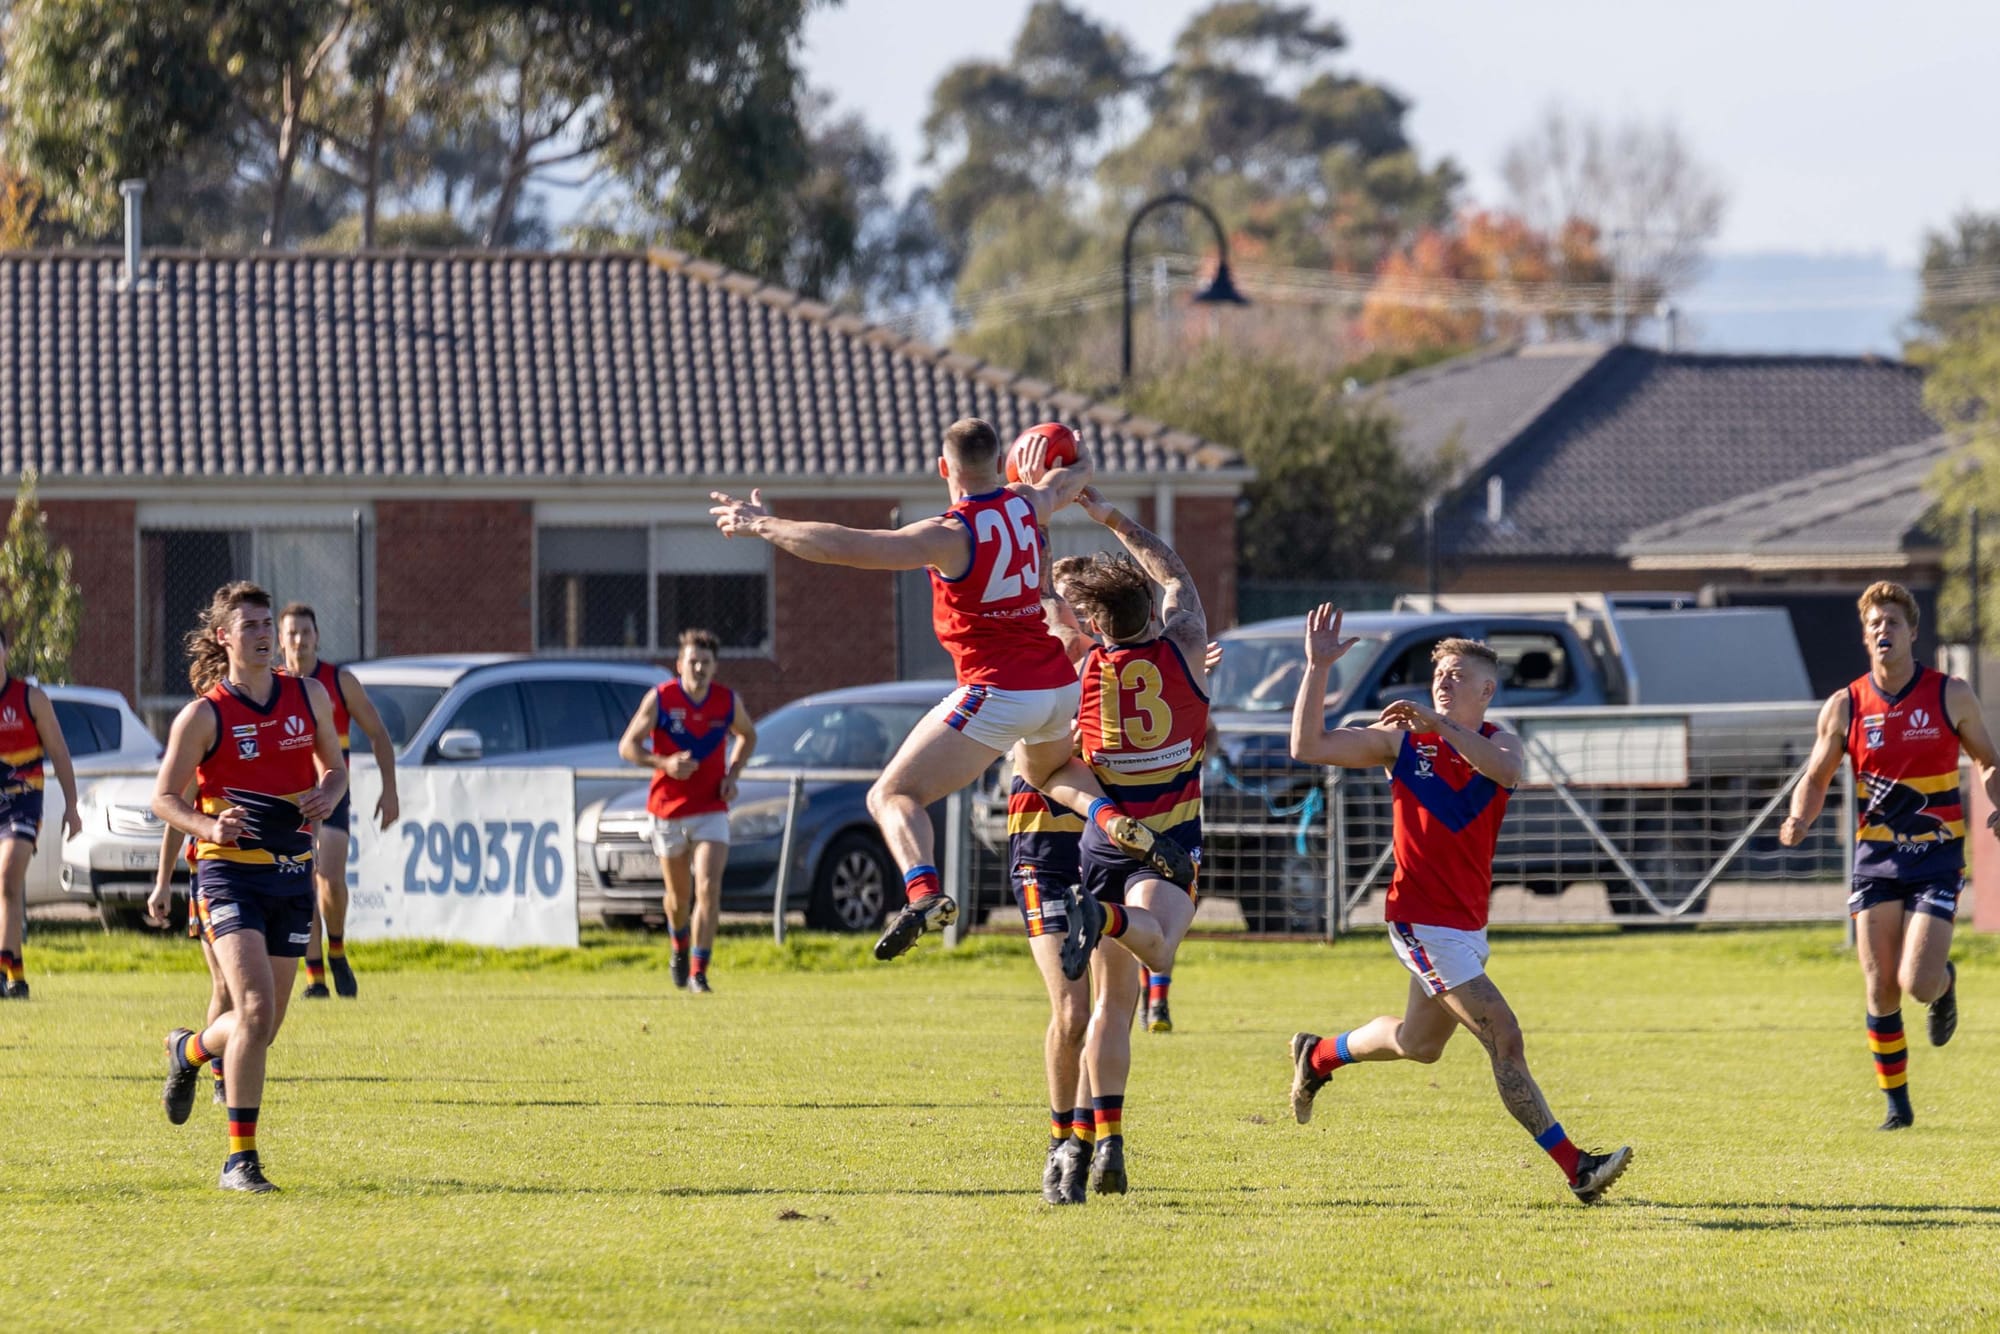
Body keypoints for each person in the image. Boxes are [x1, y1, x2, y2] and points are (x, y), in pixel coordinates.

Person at [709, 419, 1194, 968]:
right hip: (1059, 686)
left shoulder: (950, 533)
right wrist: (1078, 450)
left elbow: (845, 546)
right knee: (1046, 776)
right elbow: (1075, 475)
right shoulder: (1028, 502)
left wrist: (763, 526)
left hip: (1000, 689)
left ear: (944, 469)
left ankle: (924, 894)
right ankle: (1114, 821)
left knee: (891, 796)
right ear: (997, 464)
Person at [1284, 606, 1631, 1205]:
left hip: (1467, 924)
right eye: (1439, 671)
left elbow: (1506, 771)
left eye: (1456, 674)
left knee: (1420, 1045)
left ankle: (1317, 1054)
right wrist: (1316, 668)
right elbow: (1306, 745)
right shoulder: (1402, 742)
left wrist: (1439, 729)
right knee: (1505, 1037)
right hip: (1420, 919)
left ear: (1486, 690)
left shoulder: (1498, 740)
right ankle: (1578, 1168)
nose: (1442, 680)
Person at [146, 581, 346, 1192]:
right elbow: (163, 798)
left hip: (290, 874)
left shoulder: (307, 695)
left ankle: (189, 1050)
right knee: (253, 1010)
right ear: (223, 637)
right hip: (227, 874)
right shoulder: (205, 714)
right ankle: (240, 1161)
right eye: (251, 626)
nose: (264, 635)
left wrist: (328, 792)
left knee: (263, 1026)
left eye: (267, 624)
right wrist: (209, 824)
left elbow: (336, 768)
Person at [1779, 580, 1998, 1129]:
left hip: (1937, 858)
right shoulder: (1846, 705)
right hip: (1875, 862)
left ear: (1913, 632)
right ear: (1864, 636)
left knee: (1917, 982)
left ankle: (1942, 983)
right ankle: (1897, 1109)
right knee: (1879, 985)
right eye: (1874, 624)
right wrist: (1798, 816)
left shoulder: (1952, 694)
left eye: (1893, 623)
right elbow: (1816, 775)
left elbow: (1989, 763)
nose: (1883, 632)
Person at [1045, 488, 1211, 1197]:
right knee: (1161, 944)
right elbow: (1174, 571)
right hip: (1167, 838)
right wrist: (1112, 517)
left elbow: (1055, 763)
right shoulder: (1186, 645)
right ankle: (1107, 919)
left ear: (1095, 623)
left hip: (1100, 843)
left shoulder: (1082, 675)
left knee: (1112, 1007)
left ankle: (1107, 1143)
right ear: (1149, 608)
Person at [617, 627, 758, 993]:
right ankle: (678, 942)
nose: (698, 668)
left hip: (711, 807)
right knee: (678, 900)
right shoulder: (661, 699)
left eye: (705, 663)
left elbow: (748, 734)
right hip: (668, 811)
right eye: (692, 661)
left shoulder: (726, 702)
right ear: (679, 664)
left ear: (714, 668)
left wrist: (732, 774)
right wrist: (663, 763)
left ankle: (699, 971)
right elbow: (628, 746)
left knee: (709, 889)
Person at [278, 602, 400, 999]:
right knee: (302, 885)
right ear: (281, 641)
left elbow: (379, 734)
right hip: (289, 800)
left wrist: (390, 790)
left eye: (305, 632)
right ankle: (314, 978)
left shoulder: (338, 681)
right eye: (291, 633)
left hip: (331, 794)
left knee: (329, 877)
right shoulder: (273, 686)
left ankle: (337, 949)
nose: (299, 640)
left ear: (317, 637)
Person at [1004, 772, 1095, 1205]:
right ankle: (1059, 1143)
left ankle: (1083, 1142)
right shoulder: (1044, 700)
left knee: (1104, 1014)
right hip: (1042, 859)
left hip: (1106, 856)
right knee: (1073, 1012)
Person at [0, 623, 83, 999]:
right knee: (9, 891)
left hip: (23, 802)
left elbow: (61, 753)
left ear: (5, 651)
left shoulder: (31, 699)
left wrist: (72, 807)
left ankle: (1, 970)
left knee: (6, 877)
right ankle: (16, 974)